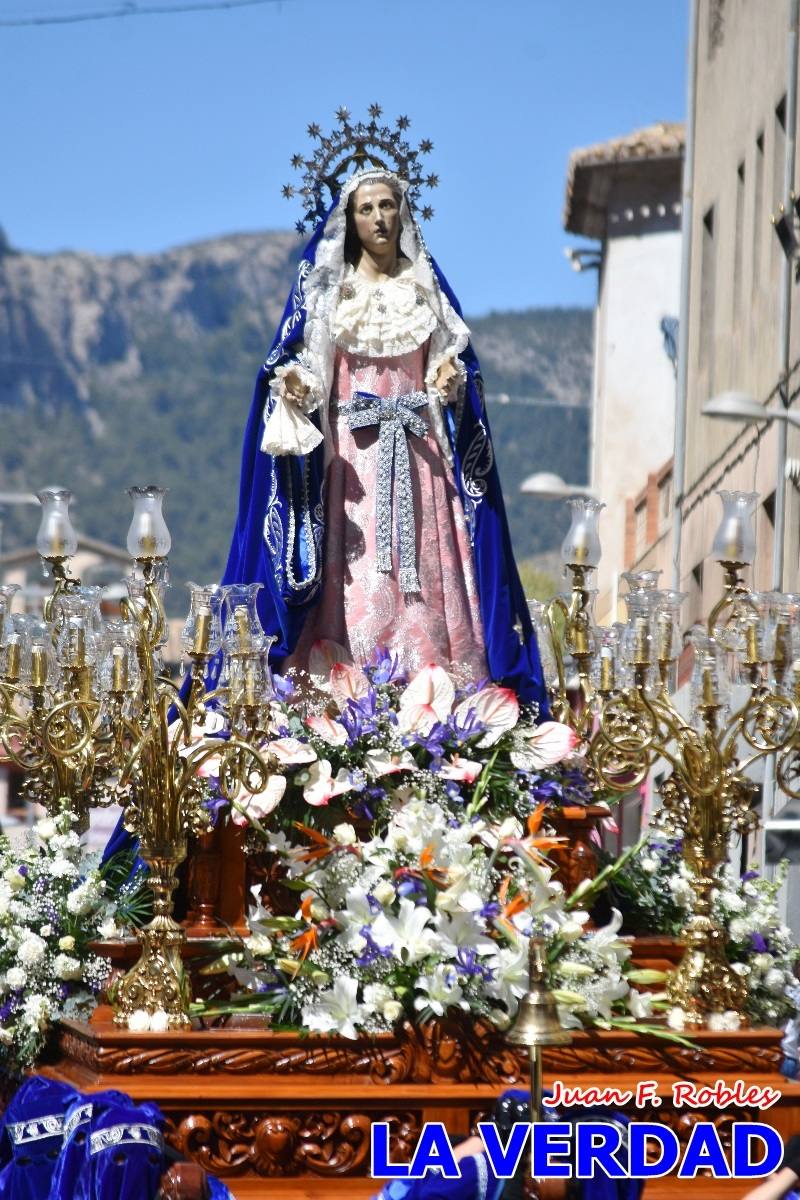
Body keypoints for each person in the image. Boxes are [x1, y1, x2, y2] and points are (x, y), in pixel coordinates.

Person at [221, 121, 549, 709]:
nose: (377, 218)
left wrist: (451, 380)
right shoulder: (331, 294)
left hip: (422, 464)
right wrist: (295, 384)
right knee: (353, 578)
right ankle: (345, 699)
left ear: (403, 213)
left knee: (427, 574)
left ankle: (434, 694)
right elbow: (308, 366)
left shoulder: (425, 292)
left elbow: (454, 365)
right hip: (351, 467)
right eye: (365, 208)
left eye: (387, 205)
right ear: (350, 220)